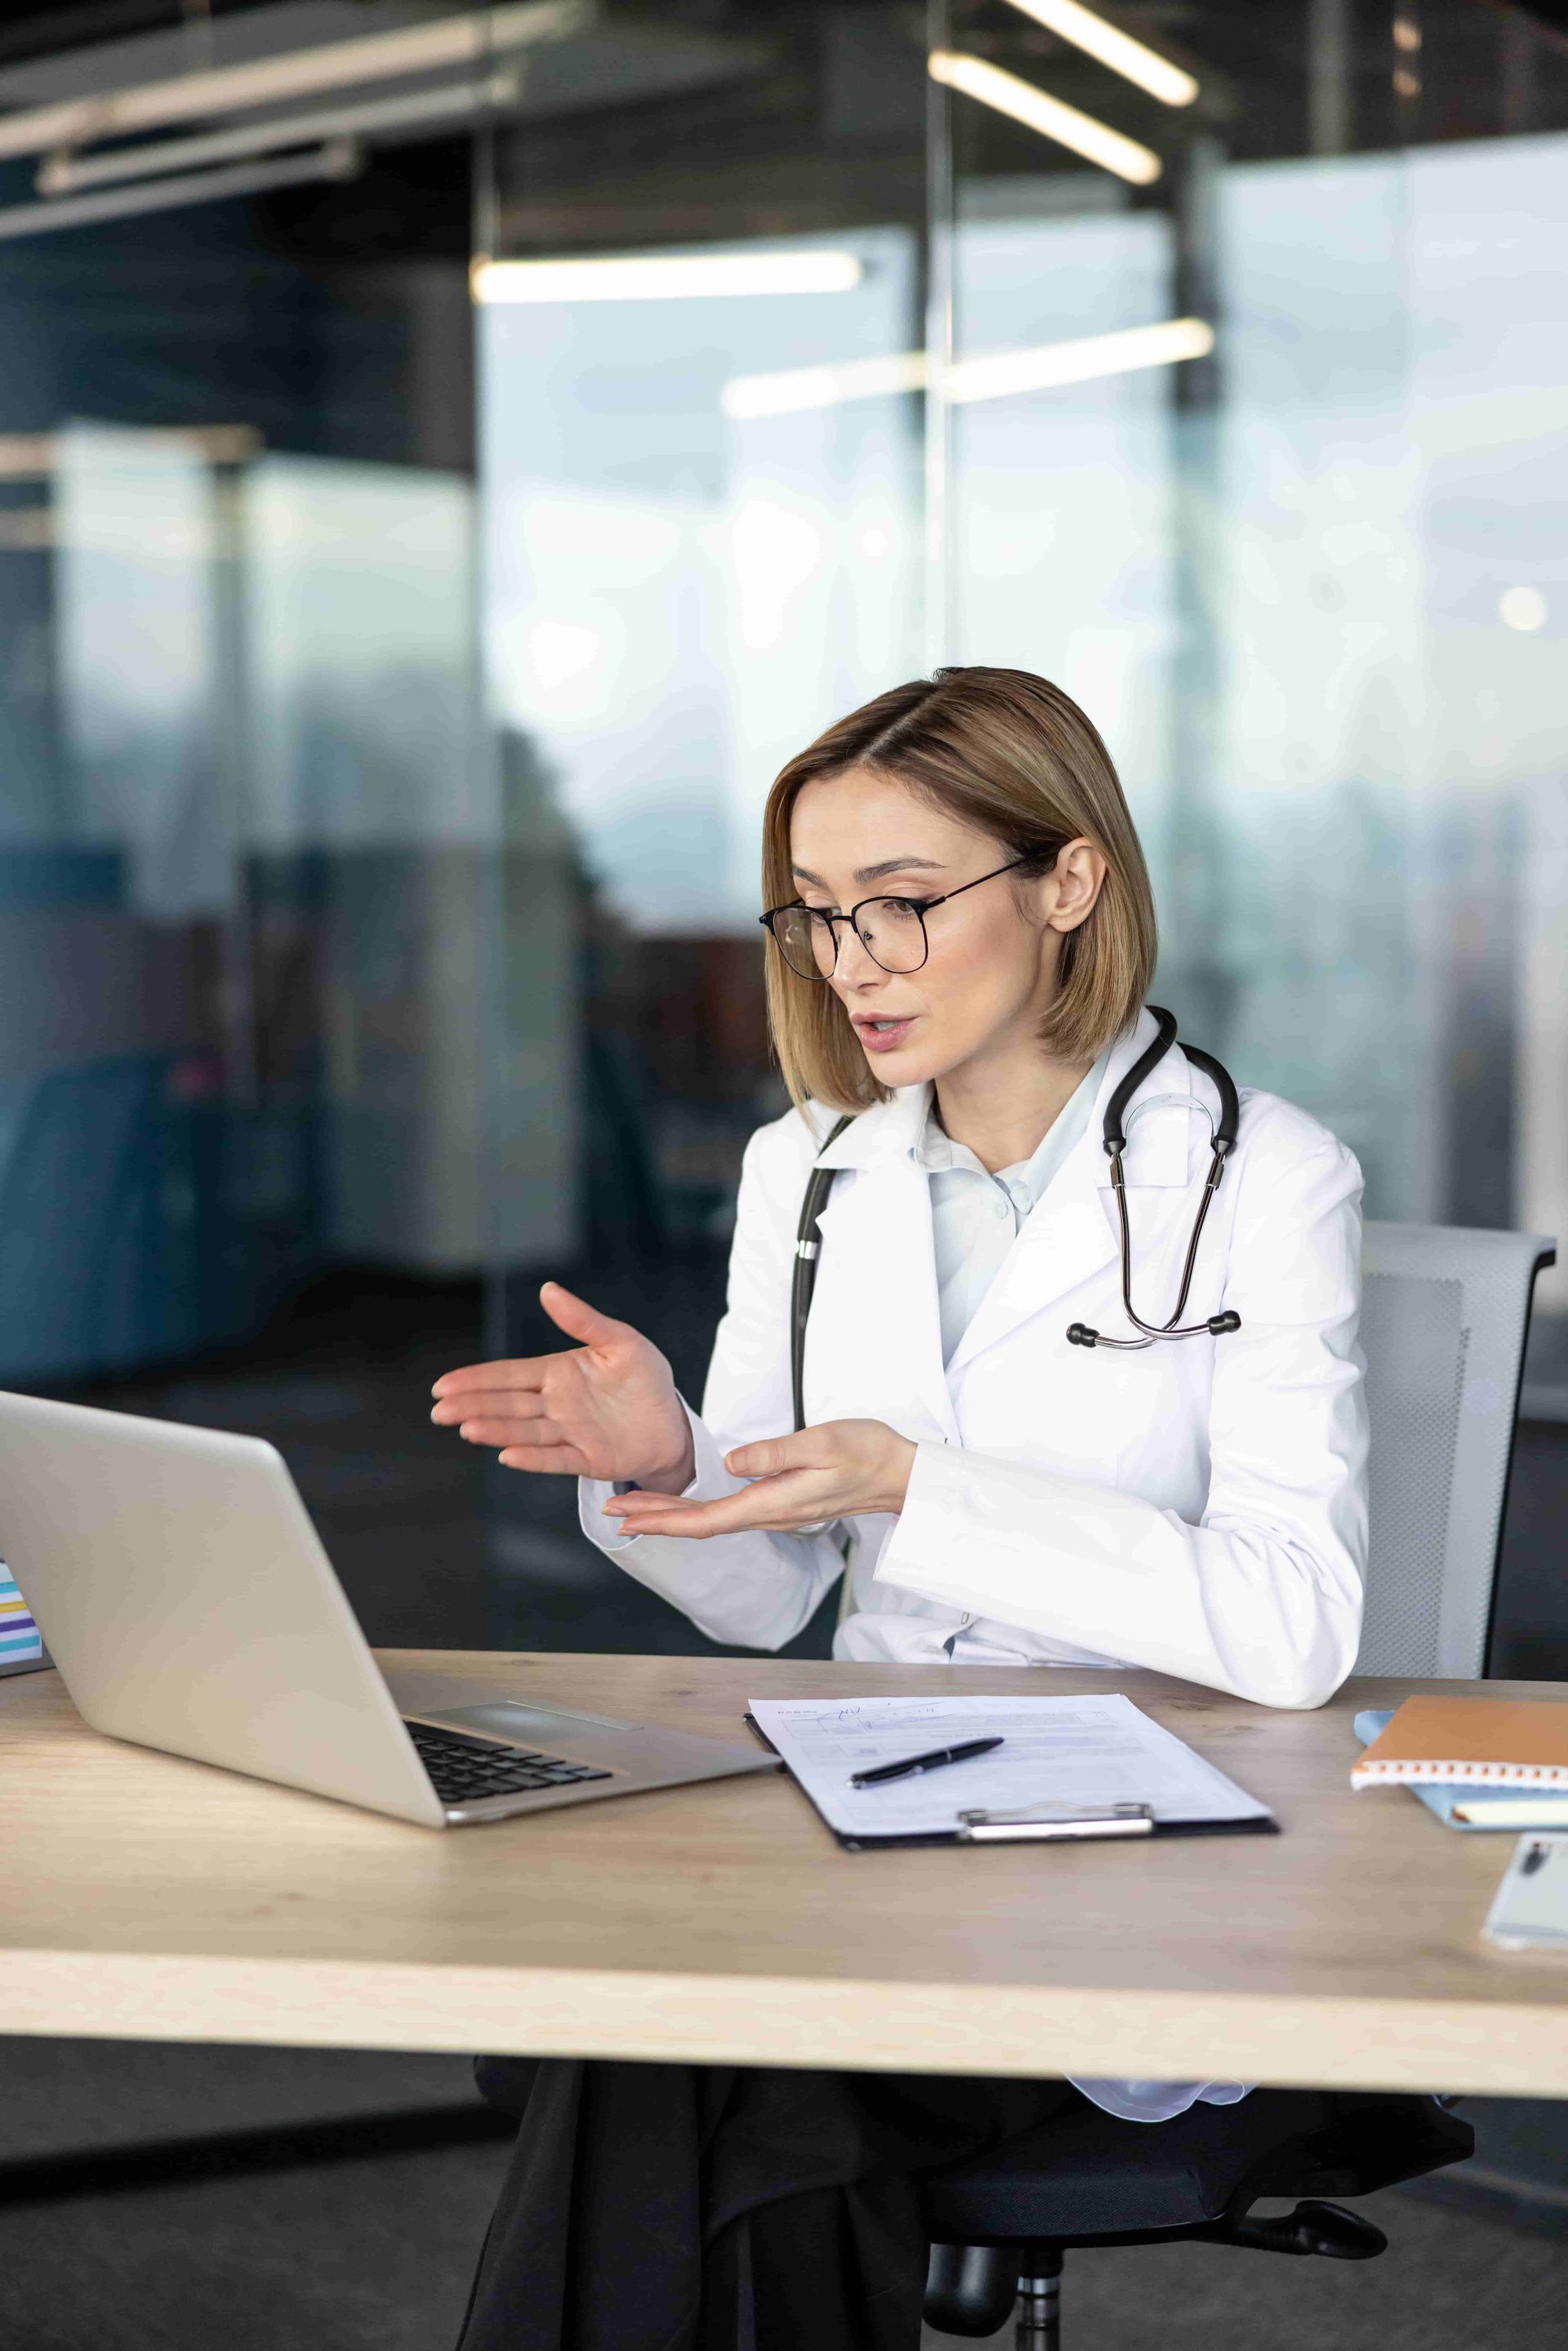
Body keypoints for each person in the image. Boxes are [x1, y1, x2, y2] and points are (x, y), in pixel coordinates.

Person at [432, 667, 1368, 2351]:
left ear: (1068, 882)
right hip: (861, 1811)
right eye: (816, 913)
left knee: (684, 2052)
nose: (852, 961)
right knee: (702, 2044)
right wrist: (663, 1462)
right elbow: (774, 1592)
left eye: (904, 902)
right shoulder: (807, 1169)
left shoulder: (1265, 1177)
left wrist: (917, 1487)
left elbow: (1294, 1625)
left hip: (1137, 1849)